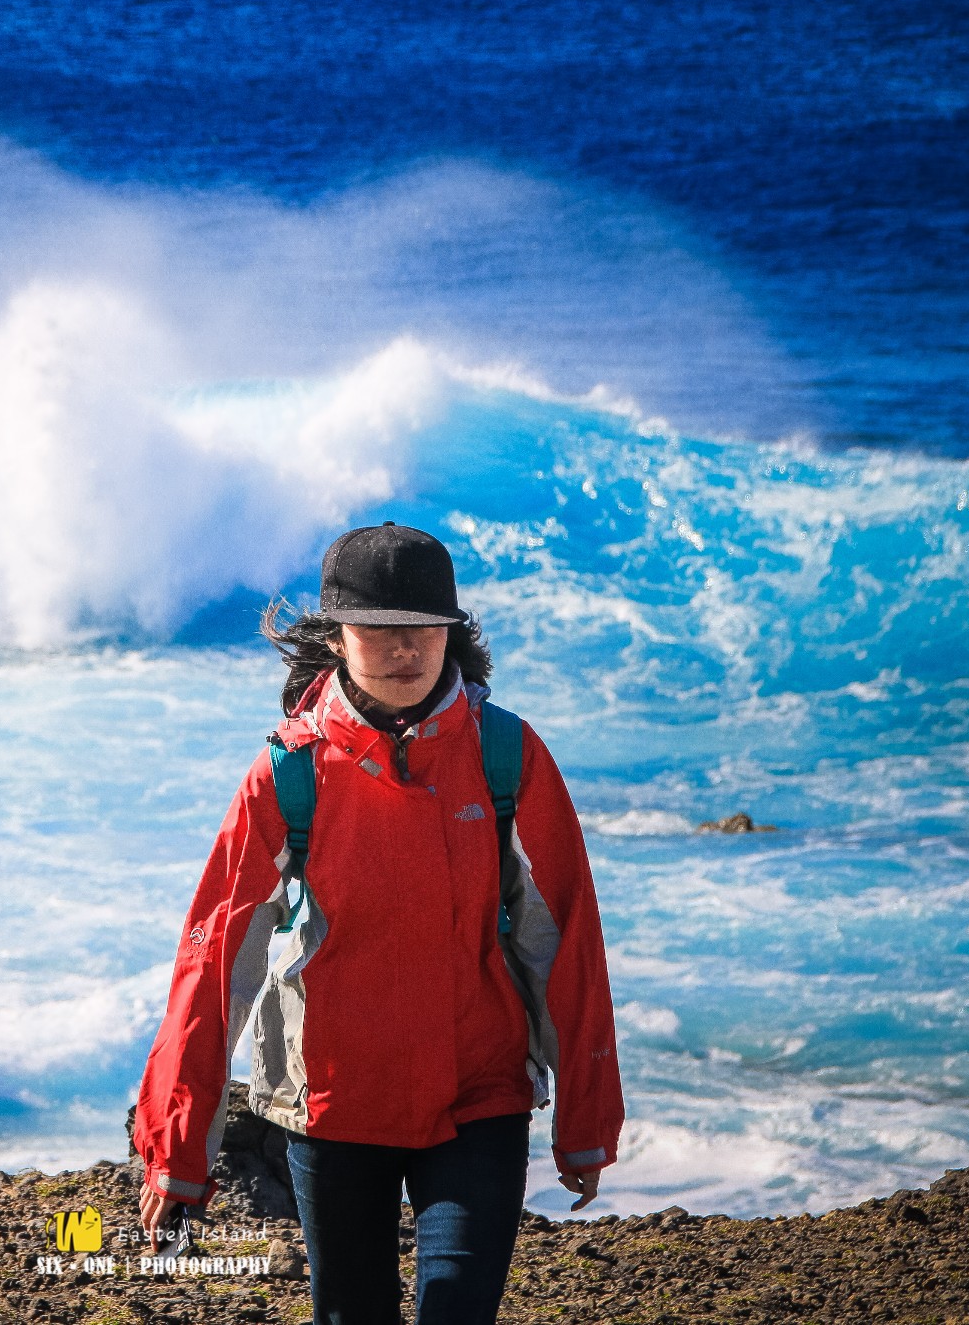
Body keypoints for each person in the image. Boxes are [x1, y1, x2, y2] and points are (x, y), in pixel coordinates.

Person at [131, 523, 623, 1325]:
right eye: (381, 629)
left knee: (456, 1309)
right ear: (337, 637)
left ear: (451, 632)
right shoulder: (290, 771)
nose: (406, 649)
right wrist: (177, 1149)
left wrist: (587, 1118)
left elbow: (565, 940)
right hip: (333, 1104)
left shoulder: (506, 755)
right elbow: (216, 957)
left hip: (479, 1097)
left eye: (425, 628)